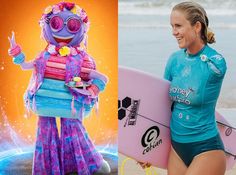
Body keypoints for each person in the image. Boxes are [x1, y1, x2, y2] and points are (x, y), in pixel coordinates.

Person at [8, 2, 110, 175]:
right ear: (46, 25)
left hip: (69, 105)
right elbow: (26, 65)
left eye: (72, 26)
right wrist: (17, 53)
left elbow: (102, 79)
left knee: (72, 130)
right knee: (47, 133)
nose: (62, 30)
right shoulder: (44, 56)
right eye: (55, 24)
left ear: (81, 28)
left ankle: (79, 165)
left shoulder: (82, 59)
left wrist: (92, 90)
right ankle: (49, 168)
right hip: (47, 103)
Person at [140, 1, 227, 175]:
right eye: (172, 26)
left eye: (178, 26)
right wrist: (145, 148)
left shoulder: (215, 62)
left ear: (197, 26)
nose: (174, 32)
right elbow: (162, 105)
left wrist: (202, 55)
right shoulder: (174, 60)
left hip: (206, 148)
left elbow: (218, 68)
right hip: (177, 148)